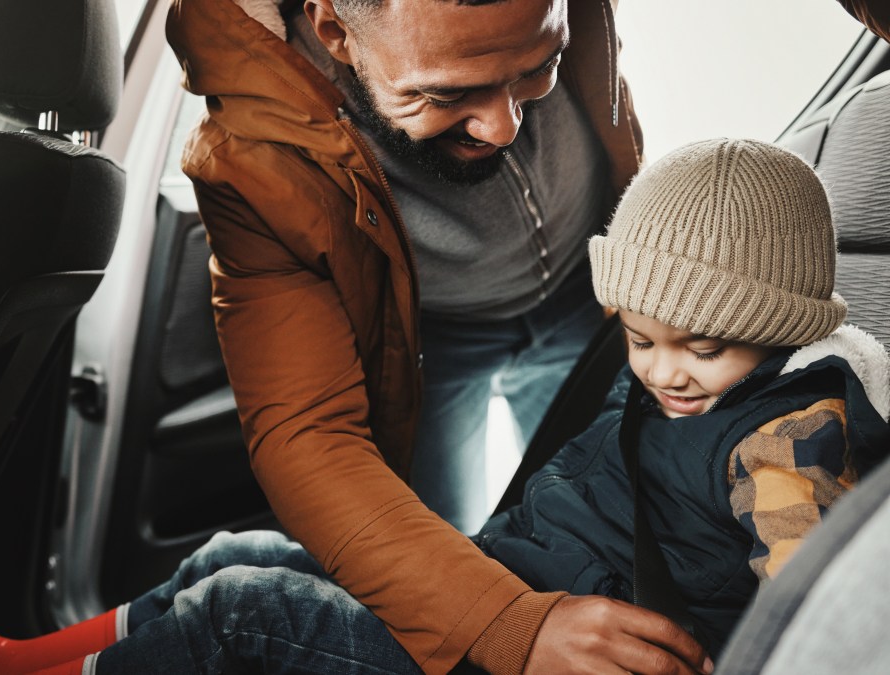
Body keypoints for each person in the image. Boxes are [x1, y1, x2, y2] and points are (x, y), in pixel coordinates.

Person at [0, 138, 890, 674]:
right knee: (236, 551)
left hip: (555, 654)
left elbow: (813, 619)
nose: (667, 371)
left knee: (245, 610)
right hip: (517, 590)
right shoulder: (684, 377)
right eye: (642, 337)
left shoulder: (790, 443)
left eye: (704, 349)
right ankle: (4, 659)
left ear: (782, 327)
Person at [164, 0, 655, 671]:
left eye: (539, 68)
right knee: (450, 558)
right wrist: (507, 624)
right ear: (335, 30)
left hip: (590, 293)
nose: (504, 126)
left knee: (619, 516)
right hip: (431, 343)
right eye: (447, 94)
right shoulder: (253, 155)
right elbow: (307, 433)